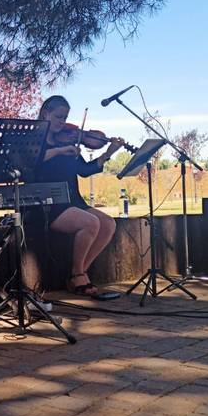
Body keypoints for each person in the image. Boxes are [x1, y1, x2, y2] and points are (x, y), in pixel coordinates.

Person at [36, 95, 126, 298]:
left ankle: (78, 272)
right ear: (45, 114)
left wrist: (108, 153)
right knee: (91, 223)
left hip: (73, 200)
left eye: (65, 117)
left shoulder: (70, 141)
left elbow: (85, 170)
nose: (63, 122)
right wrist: (59, 151)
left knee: (108, 223)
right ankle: (77, 274)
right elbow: (31, 161)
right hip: (48, 203)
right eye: (58, 117)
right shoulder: (35, 141)